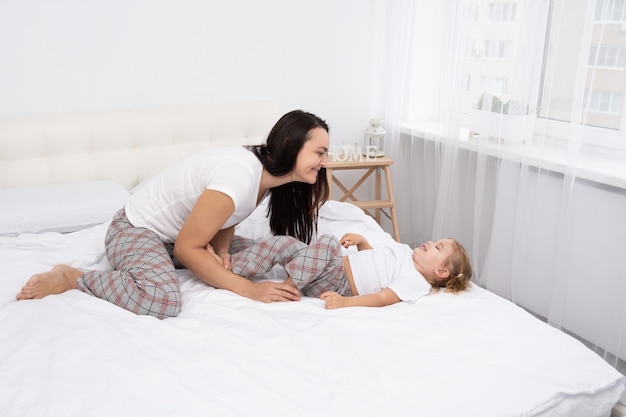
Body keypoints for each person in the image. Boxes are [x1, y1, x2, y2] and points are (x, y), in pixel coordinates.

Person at [16, 110, 331, 319]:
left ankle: (332, 280)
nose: (325, 162)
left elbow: (226, 218)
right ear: (291, 145)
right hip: (136, 232)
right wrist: (249, 289)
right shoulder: (240, 174)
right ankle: (74, 277)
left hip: (180, 240)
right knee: (163, 300)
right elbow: (185, 248)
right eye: (319, 152)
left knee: (285, 246)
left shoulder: (261, 179)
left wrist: (221, 250)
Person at [221, 232, 473, 309]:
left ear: (441, 272)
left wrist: (345, 303)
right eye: (434, 241)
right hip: (324, 266)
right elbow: (376, 262)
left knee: (329, 242)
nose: (430, 242)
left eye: (437, 247)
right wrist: (363, 243)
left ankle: (290, 284)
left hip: (336, 282)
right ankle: (230, 260)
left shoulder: (415, 282)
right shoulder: (405, 252)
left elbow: (382, 297)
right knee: (282, 244)